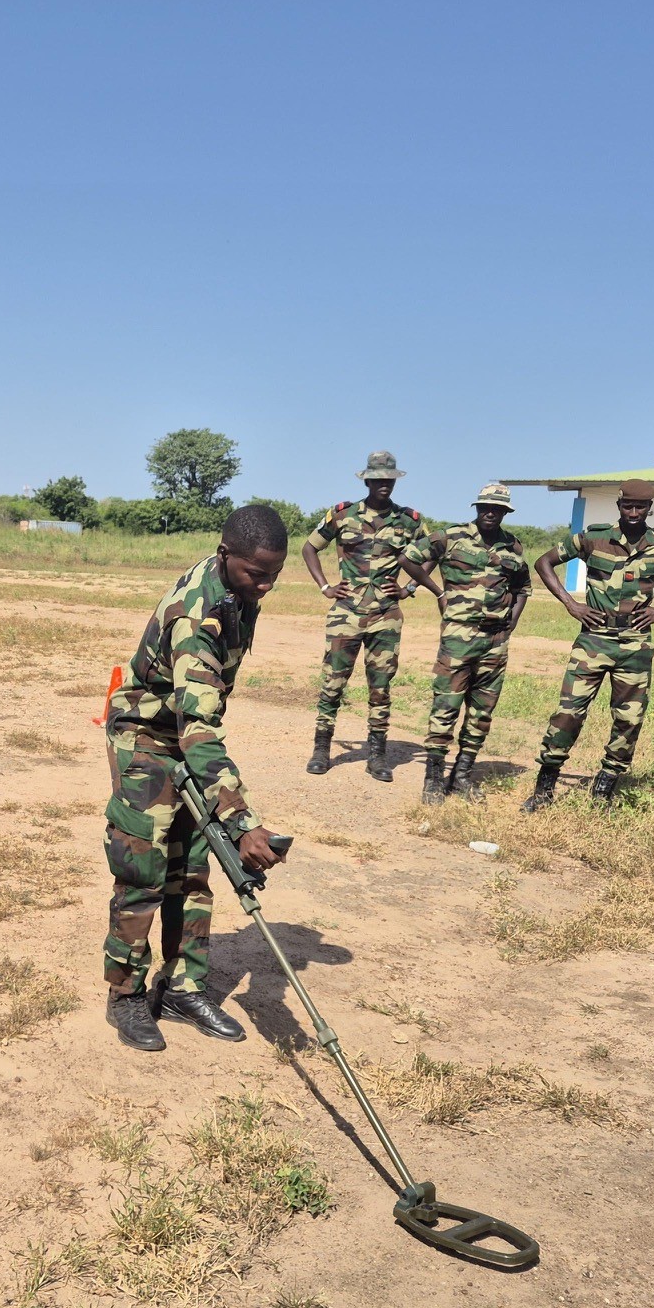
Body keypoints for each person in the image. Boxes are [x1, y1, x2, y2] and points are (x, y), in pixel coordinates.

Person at [102, 504, 290, 1052]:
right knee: (144, 870)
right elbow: (198, 730)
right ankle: (127, 997)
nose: (268, 584)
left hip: (183, 728)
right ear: (226, 554)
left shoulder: (239, 589)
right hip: (146, 736)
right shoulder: (196, 617)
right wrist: (242, 821)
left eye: (275, 573)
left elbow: (198, 721)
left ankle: (184, 987)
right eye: (258, 572)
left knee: (193, 867)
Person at [523, 480, 654, 810]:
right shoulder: (593, 537)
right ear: (618, 506)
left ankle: (605, 787)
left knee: (629, 718)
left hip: (635, 644)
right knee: (569, 713)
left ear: (651, 508)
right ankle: (544, 787)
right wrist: (571, 603)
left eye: (640, 507)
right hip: (593, 640)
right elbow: (544, 562)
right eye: (627, 507)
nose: (633, 513)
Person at [398, 483, 530, 804]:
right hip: (458, 637)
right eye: (485, 506)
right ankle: (433, 777)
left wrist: (511, 620)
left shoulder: (513, 547)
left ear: (505, 513)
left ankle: (462, 776)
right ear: (476, 507)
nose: (490, 512)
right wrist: (439, 591)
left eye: (497, 509)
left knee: (482, 710)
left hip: (496, 640)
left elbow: (523, 587)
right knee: (446, 704)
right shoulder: (450, 537)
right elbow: (409, 559)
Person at [301, 451, 426, 779]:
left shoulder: (410, 521)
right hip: (346, 613)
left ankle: (378, 756)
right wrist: (325, 586)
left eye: (390, 480)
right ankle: (321, 749)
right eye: (378, 479)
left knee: (380, 687)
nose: (384, 485)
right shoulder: (343, 515)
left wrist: (409, 587)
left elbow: (431, 554)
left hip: (386, 615)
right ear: (367, 480)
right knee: (333, 682)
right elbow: (309, 547)